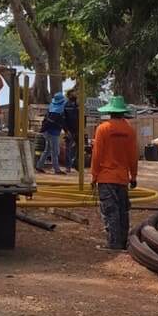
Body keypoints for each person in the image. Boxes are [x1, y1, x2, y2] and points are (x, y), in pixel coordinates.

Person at [90, 95, 138, 251]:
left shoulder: (103, 129)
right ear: (123, 112)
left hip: (106, 177)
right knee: (123, 211)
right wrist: (134, 176)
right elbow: (133, 155)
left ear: (110, 112)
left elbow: (97, 155)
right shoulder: (130, 130)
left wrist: (94, 176)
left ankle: (113, 244)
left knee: (110, 212)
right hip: (123, 178)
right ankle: (123, 242)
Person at [37, 93, 65, 175]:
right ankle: (56, 169)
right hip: (53, 133)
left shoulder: (52, 109)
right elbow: (53, 123)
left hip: (48, 132)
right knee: (55, 151)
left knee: (48, 150)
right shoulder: (56, 113)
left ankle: (39, 166)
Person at [61, 88, 80, 169]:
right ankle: (68, 166)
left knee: (80, 147)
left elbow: (83, 117)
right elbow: (63, 119)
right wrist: (66, 130)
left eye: (75, 93)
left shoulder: (78, 105)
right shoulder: (65, 105)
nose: (75, 94)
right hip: (70, 130)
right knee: (68, 148)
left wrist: (83, 128)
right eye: (73, 93)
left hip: (78, 130)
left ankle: (76, 164)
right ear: (69, 95)